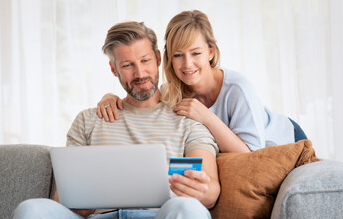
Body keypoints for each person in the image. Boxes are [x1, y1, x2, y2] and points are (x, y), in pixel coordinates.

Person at [9, 21, 220, 219]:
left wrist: (201, 191)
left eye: (145, 60)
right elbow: (61, 203)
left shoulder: (188, 118)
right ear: (113, 69)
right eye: (127, 65)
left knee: (189, 210)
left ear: (157, 58)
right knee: (30, 211)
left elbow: (211, 190)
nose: (139, 74)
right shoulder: (88, 120)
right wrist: (77, 206)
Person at [97, 9, 307, 152]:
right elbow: (144, 99)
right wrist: (109, 97)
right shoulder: (171, 92)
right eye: (178, 55)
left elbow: (251, 154)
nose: (187, 64)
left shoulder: (237, 88)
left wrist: (206, 116)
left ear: (210, 52)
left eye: (196, 53)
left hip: (283, 138)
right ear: (167, 57)